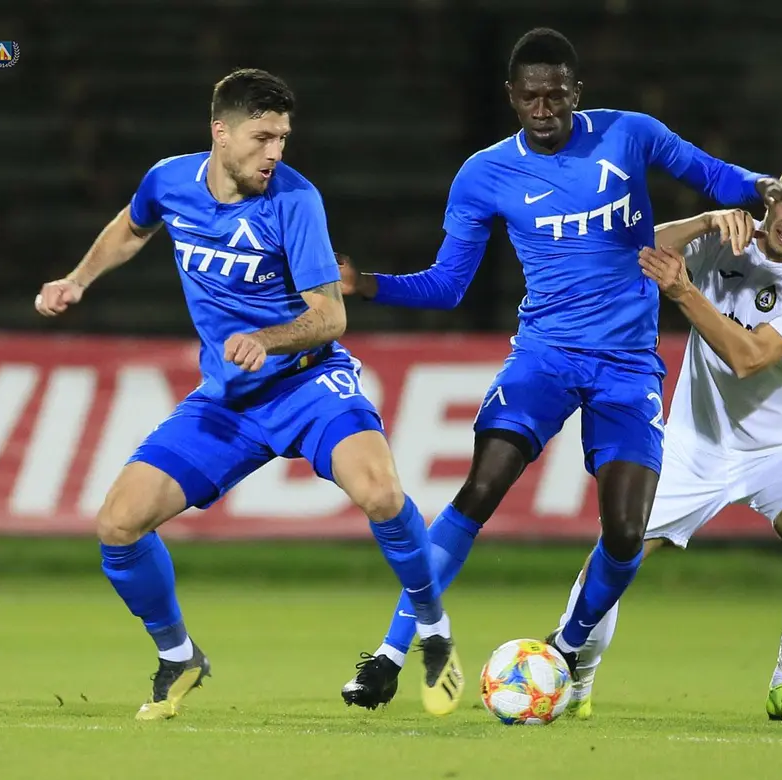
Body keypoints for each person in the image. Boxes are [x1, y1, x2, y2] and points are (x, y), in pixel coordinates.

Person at [337, 27, 782, 709]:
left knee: (627, 534)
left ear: (577, 92)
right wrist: (368, 285)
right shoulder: (485, 174)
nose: (543, 108)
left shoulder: (628, 133)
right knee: (481, 487)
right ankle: (392, 653)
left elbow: (711, 174)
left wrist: (764, 187)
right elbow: (448, 285)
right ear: (511, 97)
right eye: (530, 97)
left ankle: (568, 646)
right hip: (544, 356)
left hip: (627, 366)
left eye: (556, 95)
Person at [34, 68, 463, 720]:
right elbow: (132, 226)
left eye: (283, 138)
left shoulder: (296, 201)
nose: (276, 153)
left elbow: (331, 317)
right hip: (229, 401)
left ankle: (432, 628)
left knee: (380, 492)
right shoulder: (169, 182)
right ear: (221, 132)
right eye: (263, 138)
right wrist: (78, 279)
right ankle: (179, 656)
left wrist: (267, 338)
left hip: (308, 383)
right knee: (118, 526)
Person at [556, 153, 782, 725]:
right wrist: (704, 221)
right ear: (771, 195)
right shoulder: (726, 239)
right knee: (617, 549)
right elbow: (634, 249)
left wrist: (685, 292)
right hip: (695, 444)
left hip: (781, 448)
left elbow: (749, 357)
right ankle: (574, 676)